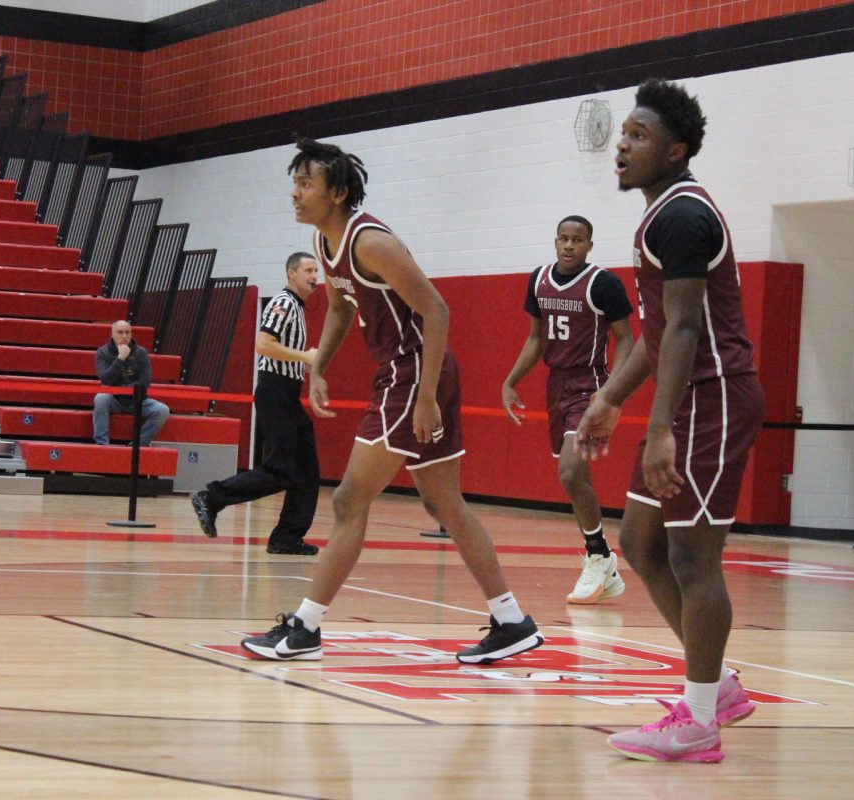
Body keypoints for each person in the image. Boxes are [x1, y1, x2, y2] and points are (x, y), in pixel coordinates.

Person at [240, 136, 544, 664]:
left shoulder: (370, 242)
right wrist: (319, 368)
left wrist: (425, 396)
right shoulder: (323, 243)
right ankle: (512, 620)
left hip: (413, 374)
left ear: (336, 192)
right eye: (294, 182)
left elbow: (439, 311)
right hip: (408, 374)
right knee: (443, 503)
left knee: (348, 500)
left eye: (305, 183)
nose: (295, 193)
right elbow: (337, 310)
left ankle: (306, 628)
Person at [574, 79, 763, 763]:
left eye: (639, 136)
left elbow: (683, 330)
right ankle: (721, 687)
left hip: (712, 398)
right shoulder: (661, 215)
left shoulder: (681, 217)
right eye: (624, 133)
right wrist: (610, 398)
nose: (622, 145)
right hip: (688, 396)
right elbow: (657, 334)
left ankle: (701, 721)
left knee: (691, 555)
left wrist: (660, 429)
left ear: (676, 150)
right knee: (643, 546)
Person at [502, 215, 634, 604]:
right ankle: (604, 563)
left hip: (589, 383)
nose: (569, 245)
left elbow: (625, 340)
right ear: (555, 241)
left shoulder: (603, 283)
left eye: (577, 240)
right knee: (576, 478)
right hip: (555, 385)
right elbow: (535, 339)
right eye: (563, 238)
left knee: (571, 471)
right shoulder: (539, 280)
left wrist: (611, 392)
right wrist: (511, 380)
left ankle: (597, 555)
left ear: (589, 245)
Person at [190, 252, 323, 555]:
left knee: (307, 469)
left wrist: (311, 373)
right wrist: (305, 356)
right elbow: (264, 344)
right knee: (281, 469)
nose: (314, 276)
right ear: (291, 273)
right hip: (275, 393)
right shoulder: (283, 303)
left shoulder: (298, 308)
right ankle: (211, 498)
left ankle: (286, 537)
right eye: (308, 270)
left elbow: (286, 355)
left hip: (288, 393)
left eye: (316, 270)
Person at [93, 320, 169, 447]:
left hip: (137, 400)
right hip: (114, 399)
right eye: (120, 332)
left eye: (127, 332)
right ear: (112, 334)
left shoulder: (141, 353)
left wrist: (121, 389)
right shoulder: (103, 352)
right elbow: (105, 379)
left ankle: (137, 445)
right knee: (100, 398)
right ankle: (102, 445)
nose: (124, 336)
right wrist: (121, 358)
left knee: (162, 410)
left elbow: (145, 382)